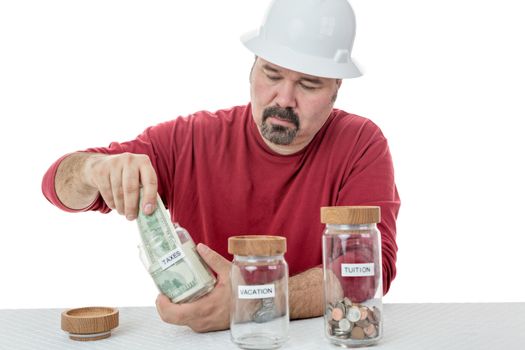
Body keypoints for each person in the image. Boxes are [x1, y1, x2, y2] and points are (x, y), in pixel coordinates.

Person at [42, 0, 400, 333]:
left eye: (308, 84)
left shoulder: (360, 144)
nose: (284, 100)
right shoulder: (192, 140)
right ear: (252, 66)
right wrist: (93, 170)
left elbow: (369, 271)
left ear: (336, 87)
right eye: (272, 74)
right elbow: (56, 186)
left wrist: (254, 296)